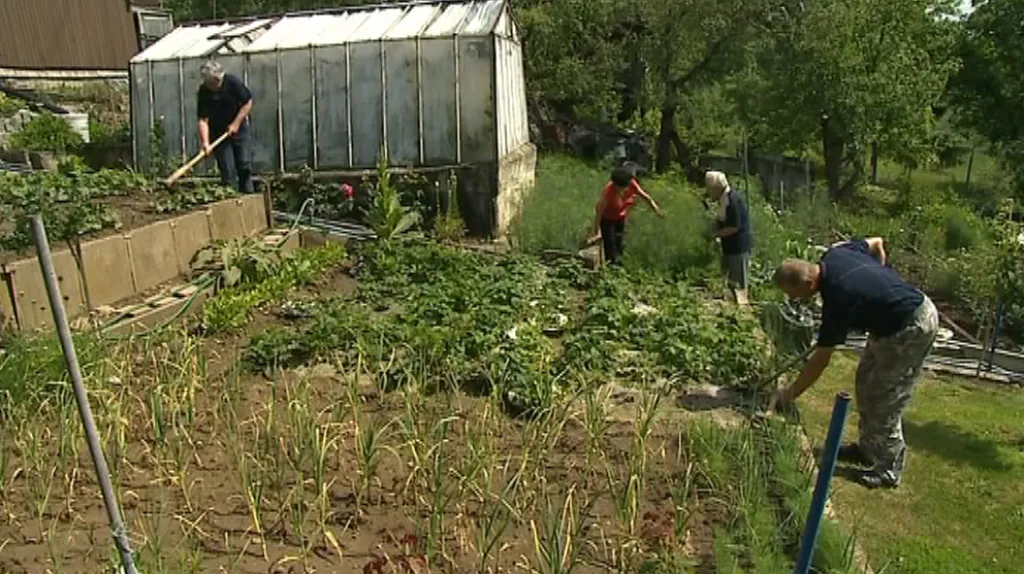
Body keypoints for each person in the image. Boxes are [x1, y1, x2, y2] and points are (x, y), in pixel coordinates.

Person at [770, 237, 939, 489]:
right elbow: (876, 242)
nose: (794, 299)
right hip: (889, 322)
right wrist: (877, 290)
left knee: (885, 396)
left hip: (911, 325)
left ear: (808, 283)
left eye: (793, 294)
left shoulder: (837, 297)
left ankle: (889, 469)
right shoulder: (834, 254)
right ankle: (868, 448)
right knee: (865, 382)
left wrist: (789, 394)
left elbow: (820, 362)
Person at [588, 165, 664, 265]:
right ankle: (611, 265)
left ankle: (618, 263)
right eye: (618, 188)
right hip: (607, 219)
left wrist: (656, 210)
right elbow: (599, 210)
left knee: (619, 242)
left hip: (620, 217)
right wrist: (596, 230)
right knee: (610, 245)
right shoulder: (609, 192)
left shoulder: (631, 183)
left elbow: (646, 197)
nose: (620, 190)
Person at [197, 60, 254, 193]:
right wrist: (205, 142)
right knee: (228, 171)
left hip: (239, 129)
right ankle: (231, 199)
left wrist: (235, 123)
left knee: (244, 165)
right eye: (212, 84)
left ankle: (248, 197)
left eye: (217, 82)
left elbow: (247, 103)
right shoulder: (204, 91)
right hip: (218, 133)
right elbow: (203, 119)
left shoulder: (232, 83)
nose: (215, 86)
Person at [704, 171, 752, 306]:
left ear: (716, 188)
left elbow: (734, 227)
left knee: (739, 286)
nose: (708, 191)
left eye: (709, 188)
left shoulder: (733, 200)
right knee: (731, 284)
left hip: (738, 248)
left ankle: (744, 316)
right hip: (729, 248)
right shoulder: (723, 200)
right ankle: (734, 314)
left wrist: (714, 235)